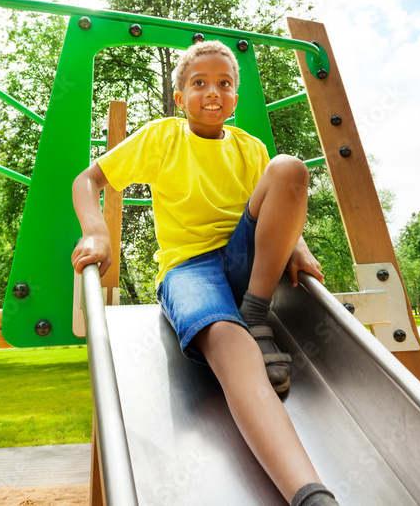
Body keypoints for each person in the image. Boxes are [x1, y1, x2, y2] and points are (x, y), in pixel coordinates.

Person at [71, 40, 339, 505]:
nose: (212, 92)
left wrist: (297, 244)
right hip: (189, 269)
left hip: (245, 264)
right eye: (199, 84)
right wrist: (96, 231)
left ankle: (255, 314)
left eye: (224, 84)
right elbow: (87, 179)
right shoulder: (163, 137)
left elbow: (278, 202)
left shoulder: (250, 148)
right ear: (180, 98)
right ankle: (312, 497)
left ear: (235, 97)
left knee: (289, 168)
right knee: (231, 346)